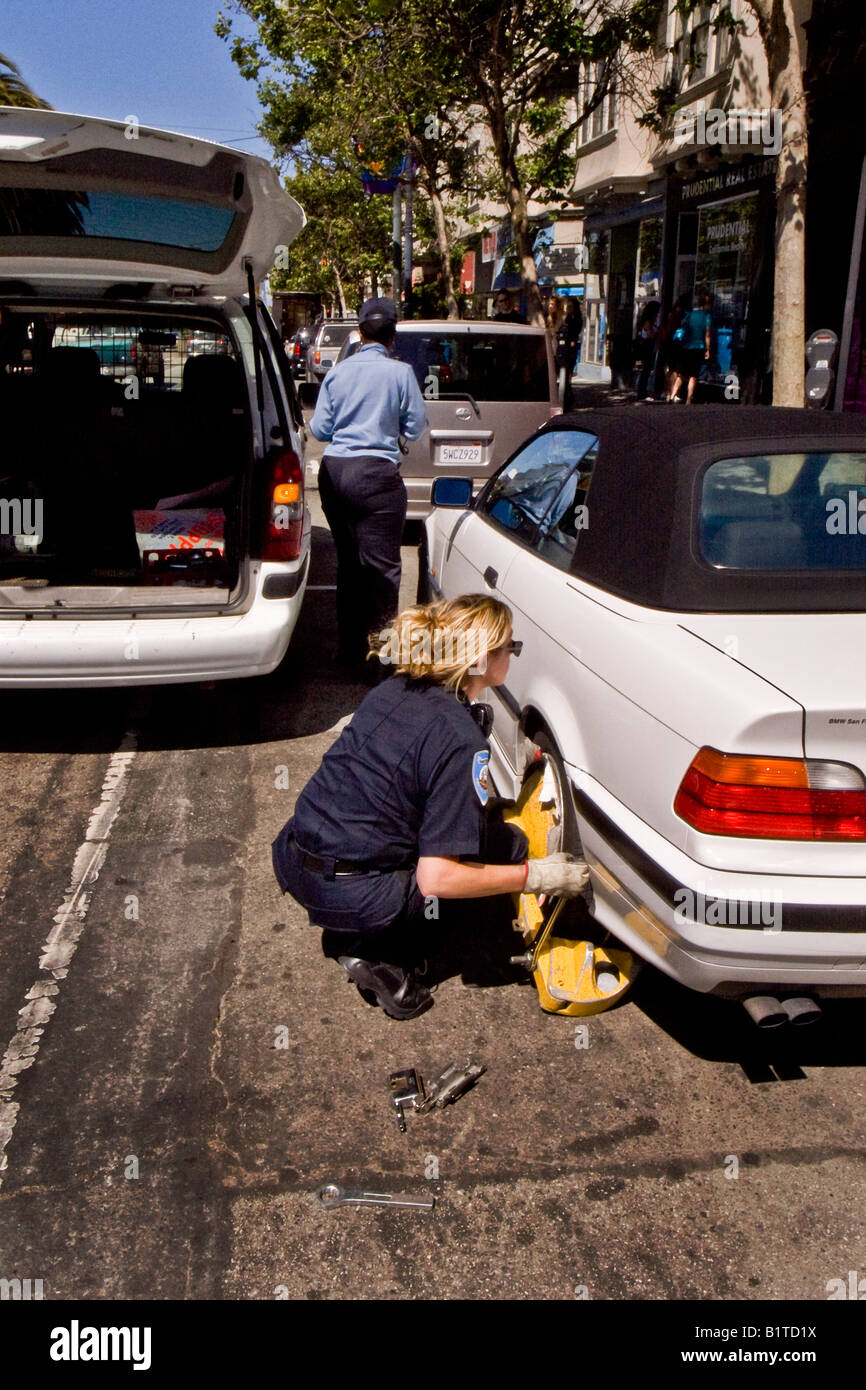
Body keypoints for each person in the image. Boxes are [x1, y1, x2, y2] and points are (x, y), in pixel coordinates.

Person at [272, 595, 590, 1019]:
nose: (514, 654)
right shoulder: (460, 739)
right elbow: (438, 878)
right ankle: (388, 956)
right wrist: (537, 876)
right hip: (352, 889)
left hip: (296, 858)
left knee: (483, 832)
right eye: (510, 647)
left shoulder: (395, 687)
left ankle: (356, 927)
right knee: (507, 848)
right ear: (482, 659)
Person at [310, 296, 429, 673]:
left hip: (335, 474)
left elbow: (320, 429)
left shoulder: (337, 372)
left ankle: (347, 655)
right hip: (378, 477)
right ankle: (379, 661)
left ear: (359, 333)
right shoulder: (400, 373)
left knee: (348, 565)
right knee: (382, 572)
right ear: (393, 336)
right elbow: (415, 426)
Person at [668, 292, 712, 404]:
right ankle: (688, 399)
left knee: (681, 374)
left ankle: (672, 395)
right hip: (698, 347)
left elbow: (683, 327)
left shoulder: (689, 314)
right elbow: (707, 334)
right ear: (705, 305)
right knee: (693, 375)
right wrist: (708, 349)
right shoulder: (706, 316)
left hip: (686, 347)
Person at [556, 301, 583, 410]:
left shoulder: (576, 319)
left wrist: (572, 341)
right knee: (564, 373)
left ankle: (568, 397)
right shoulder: (566, 318)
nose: (569, 309)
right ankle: (565, 395)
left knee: (567, 373)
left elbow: (575, 332)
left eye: (571, 307)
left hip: (570, 348)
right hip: (564, 347)